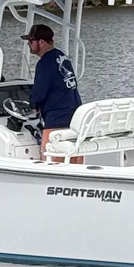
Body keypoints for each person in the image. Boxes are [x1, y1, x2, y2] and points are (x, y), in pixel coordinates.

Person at [20, 23, 83, 163]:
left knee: (50, 160)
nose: (29, 44)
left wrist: (33, 105)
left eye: (31, 41)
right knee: (73, 162)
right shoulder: (62, 57)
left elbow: (39, 93)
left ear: (41, 42)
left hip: (56, 120)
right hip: (75, 117)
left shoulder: (45, 63)